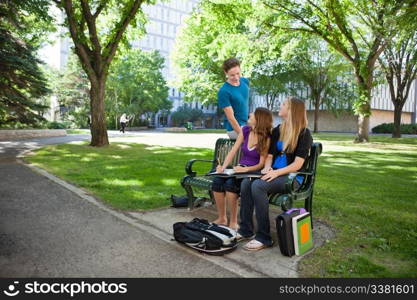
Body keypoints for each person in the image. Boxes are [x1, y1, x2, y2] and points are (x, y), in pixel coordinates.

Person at [237, 96, 313, 251]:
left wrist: (276, 173)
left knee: (258, 186)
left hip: (292, 177)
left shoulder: (304, 134)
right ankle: (246, 230)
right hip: (275, 172)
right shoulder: (279, 129)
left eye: (284, 104)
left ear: (291, 110)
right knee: (246, 183)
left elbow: (298, 164)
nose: (281, 105)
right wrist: (266, 168)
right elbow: (270, 156)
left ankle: (264, 237)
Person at [212, 107, 273, 230]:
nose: (250, 114)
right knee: (217, 181)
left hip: (252, 171)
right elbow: (233, 150)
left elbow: (261, 164)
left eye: (254, 114)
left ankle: (233, 221)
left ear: (259, 119)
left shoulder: (266, 138)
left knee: (230, 184)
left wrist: (246, 170)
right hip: (239, 169)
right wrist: (222, 167)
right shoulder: (245, 131)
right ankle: (222, 218)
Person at [217, 58, 250, 140]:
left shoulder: (245, 82)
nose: (236, 77)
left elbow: (244, 105)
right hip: (234, 129)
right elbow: (231, 118)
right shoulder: (224, 91)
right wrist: (242, 135)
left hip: (247, 124)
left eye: (238, 73)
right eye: (232, 75)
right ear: (226, 73)